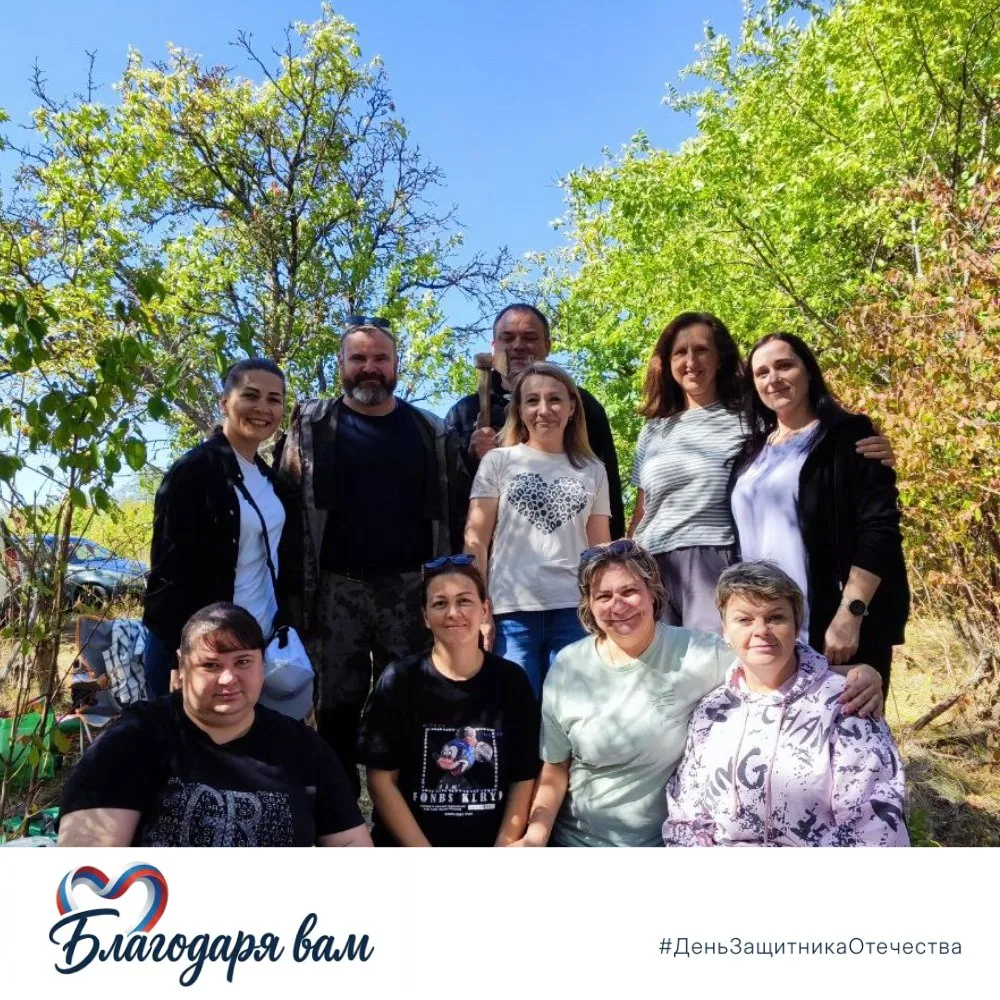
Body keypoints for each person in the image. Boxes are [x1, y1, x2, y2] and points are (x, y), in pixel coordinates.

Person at [519, 541, 883, 847]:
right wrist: (535, 837)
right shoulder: (569, 667)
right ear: (589, 605)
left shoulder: (698, 653)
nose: (618, 606)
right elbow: (555, 767)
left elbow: (773, 657)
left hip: (659, 847)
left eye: (629, 591)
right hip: (577, 843)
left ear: (652, 592)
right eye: (604, 596)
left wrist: (860, 673)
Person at [275, 316, 469, 796]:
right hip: (334, 588)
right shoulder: (311, 425)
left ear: (396, 364)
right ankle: (340, 811)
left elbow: (461, 510)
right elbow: (285, 504)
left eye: (380, 358)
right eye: (358, 358)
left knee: (408, 703)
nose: (369, 367)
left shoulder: (430, 431)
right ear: (340, 364)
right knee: (335, 708)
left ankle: (400, 812)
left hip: (410, 590)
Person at [629, 312, 896, 633]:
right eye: (679, 353)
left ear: (720, 358)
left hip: (712, 560)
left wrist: (871, 444)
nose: (690, 361)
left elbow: (806, 432)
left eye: (701, 350)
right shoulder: (653, 430)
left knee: (711, 659)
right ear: (667, 362)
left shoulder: (750, 418)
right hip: (652, 566)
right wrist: (628, 561)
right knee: (657, 659)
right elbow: (643, 509)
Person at [58, 603, 372, 847]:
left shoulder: (304, 749)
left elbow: (350, 845)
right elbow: (89, 866)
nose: (228, 678)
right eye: (210, 665)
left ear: (262, 665)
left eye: (243, 662)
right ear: (182, 666)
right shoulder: (132, 741)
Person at [663, 562, 908, 847]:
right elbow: (686, 816)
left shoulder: (846, 703)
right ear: (725, 631)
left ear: (796, 624)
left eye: (775, 617)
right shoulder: (712, 710)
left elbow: (874, 826)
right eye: (744, 620)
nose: (761, 631)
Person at [729, 332, 910, 695]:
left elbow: (879, 530)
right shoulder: (750, 453)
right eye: (762, 372)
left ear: (808, 371)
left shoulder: (847, 436)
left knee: (848, 728)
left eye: (784, 365)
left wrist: (850, 612)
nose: (773, 378)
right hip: (768, 632)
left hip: (833, 626)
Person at [357, 557, 540, 846]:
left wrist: (502, 851)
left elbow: (524, 777)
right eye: (440, 603)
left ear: (484, 610)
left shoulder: (511, 681)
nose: (453, 613)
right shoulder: (400, 679)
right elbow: (381, 781)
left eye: (464, 601)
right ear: (425, 616)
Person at [143, 358, 292, 697]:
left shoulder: (269, 479)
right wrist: (179, 654)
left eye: (274, 399)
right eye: (250, 395)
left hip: (256, 644)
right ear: (225, 403)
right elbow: (167, 572)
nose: (262, 408)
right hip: (203, 650)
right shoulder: (195, 471)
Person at [465, 362, 612, 697]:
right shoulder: (498, 462)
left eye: (555, 399)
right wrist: (479, 607)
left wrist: (604, 608)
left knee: (570, 710)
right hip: (511, 613)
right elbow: (475, 541)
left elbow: (600, 550)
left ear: (572, 407)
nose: (544, 410)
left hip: (574, 611)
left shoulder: (593, 470)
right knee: (516, 710)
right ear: (519, 409)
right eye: (532, 401)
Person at [445, 303, 625, 538]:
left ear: (547, 346)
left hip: (566, 547)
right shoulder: (465, 412)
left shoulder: (580, 406)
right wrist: (471, 459)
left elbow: (607, 488)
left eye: (529, 338)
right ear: (494, 346)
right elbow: (447, 495)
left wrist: (614, 552)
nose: (518, 346)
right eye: (508, 338)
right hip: (488, 550)